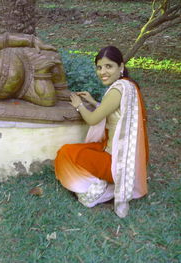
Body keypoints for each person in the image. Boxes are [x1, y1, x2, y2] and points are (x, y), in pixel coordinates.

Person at [55, 46, 149, 218]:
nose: (102, 72)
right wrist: (94, 101)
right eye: (99, 67)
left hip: (115, 161)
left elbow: (92, 120)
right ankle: (104, 185)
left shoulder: (117, 90)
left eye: (108, 66)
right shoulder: (128, 87)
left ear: (120, 67)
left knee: (65, 153)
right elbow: (115, 113)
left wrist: (79, 105)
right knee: (79, 151)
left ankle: (101, 187)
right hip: (125, 158)